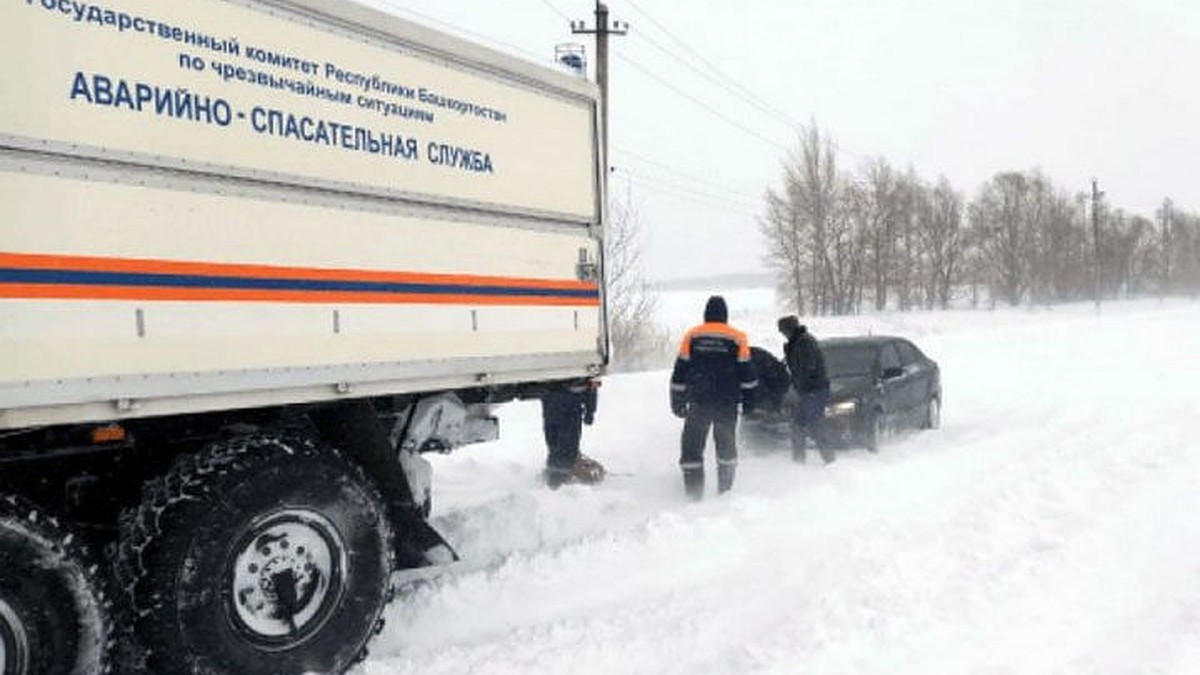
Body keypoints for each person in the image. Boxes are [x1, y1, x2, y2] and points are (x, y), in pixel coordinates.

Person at [669, 295, 758, 500]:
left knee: (691, 448)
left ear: (706, 314)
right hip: (726, 403)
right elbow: (746, 374)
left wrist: (677, 401)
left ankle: (693, 496)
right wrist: (750, 402)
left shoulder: (692, 336)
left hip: (699, 402)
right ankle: (725, 494)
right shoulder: (738, 337)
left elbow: (680, 372)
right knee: (726, 447)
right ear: (725, 315)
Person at [777, 315, 833, 464]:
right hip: (806, 391)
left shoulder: (805, 342)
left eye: (783, 331)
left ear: (790, 329)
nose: (783, 334)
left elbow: (808, 367)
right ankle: (798, 463)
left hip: (815, 390)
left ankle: (830, 461)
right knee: (797, 425)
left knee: (814, 424)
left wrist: (799, 383)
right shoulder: (796, 342)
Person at [541, 379, 603, 488]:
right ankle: (561, 474)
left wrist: (590, 410)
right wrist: (590, 411)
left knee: (554, 439)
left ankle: (556, 474)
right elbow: (592, 385)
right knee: (566, 441)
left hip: (552, 398)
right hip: (570, 400)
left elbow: (592, 385)